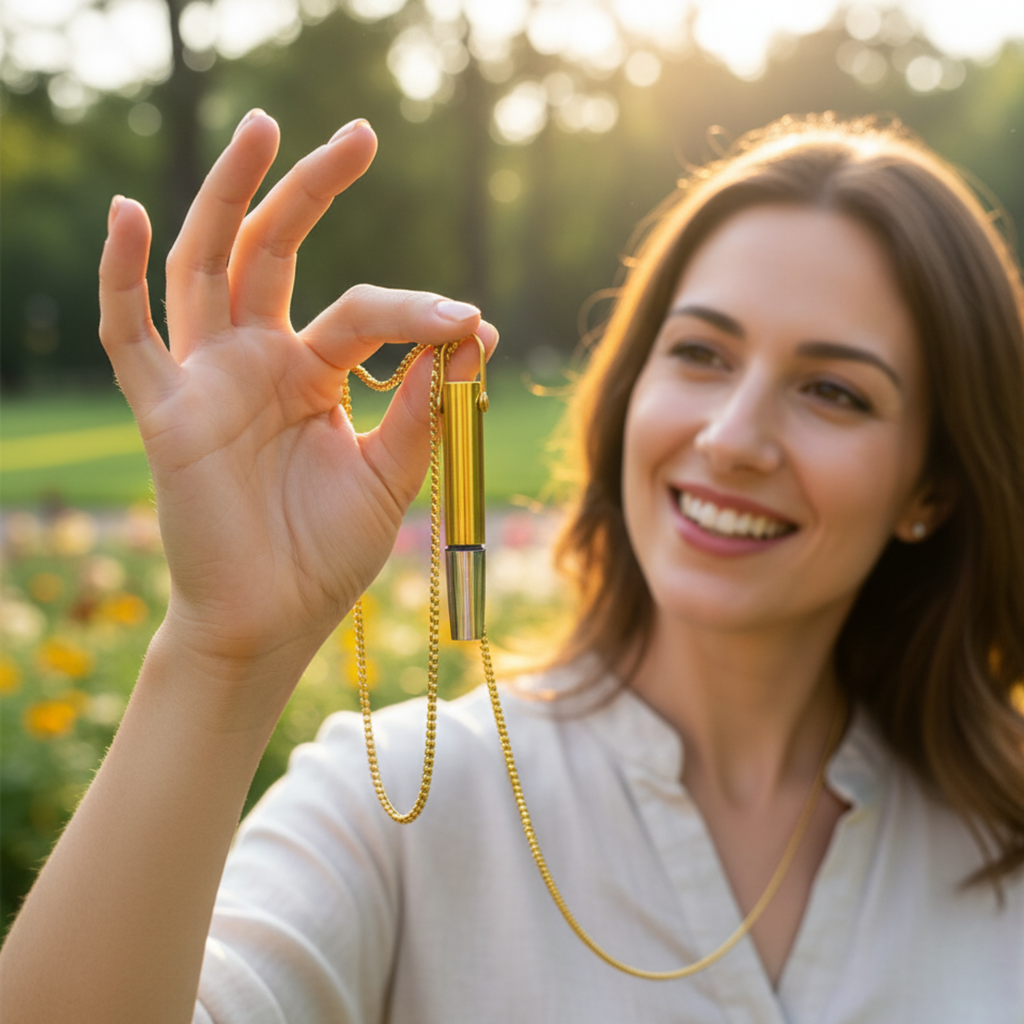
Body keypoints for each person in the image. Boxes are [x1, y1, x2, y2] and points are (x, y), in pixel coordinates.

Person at [1, 108, 1023, 1022]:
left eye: (834, 391)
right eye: (701, 354)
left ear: (931, 487)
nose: (732, 436)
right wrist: (222, 650)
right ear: (629, 390)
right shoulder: (397, 802)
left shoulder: (998, 839)